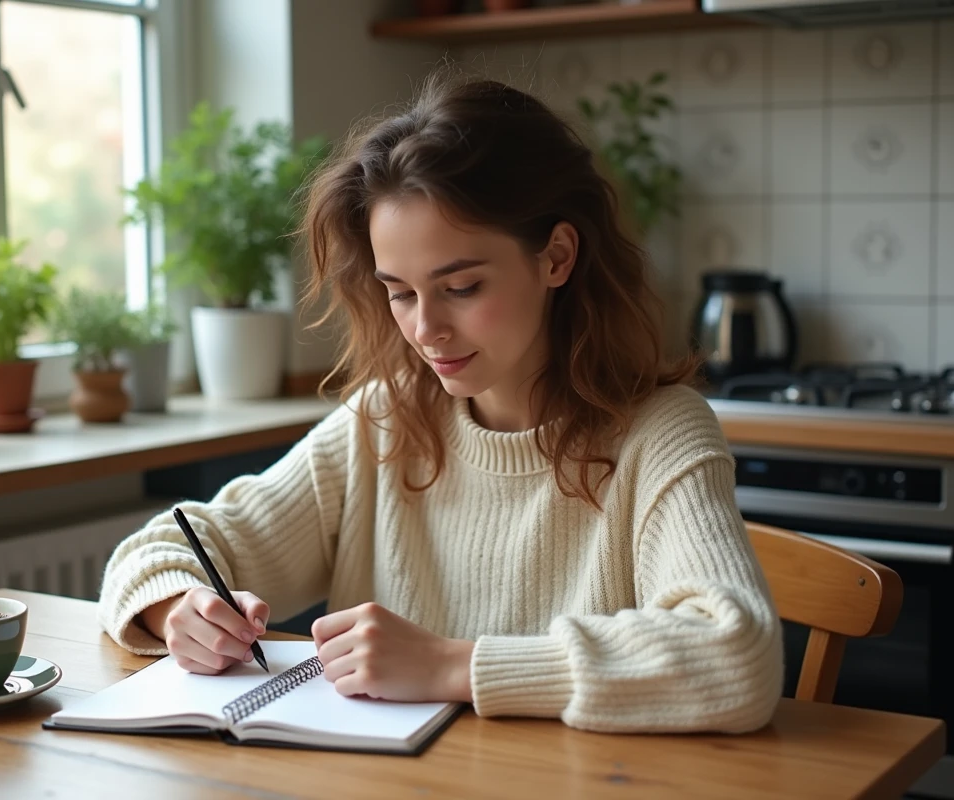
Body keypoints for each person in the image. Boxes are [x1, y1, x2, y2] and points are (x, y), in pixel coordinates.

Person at [98, 71, 783, 734]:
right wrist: (177, 608)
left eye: (460, 288)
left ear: (556, 257)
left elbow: (737, 658)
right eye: (400, 292)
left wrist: (451, 665)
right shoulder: (384, 419)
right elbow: (159, 547)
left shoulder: (659, 434)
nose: (426, 330)